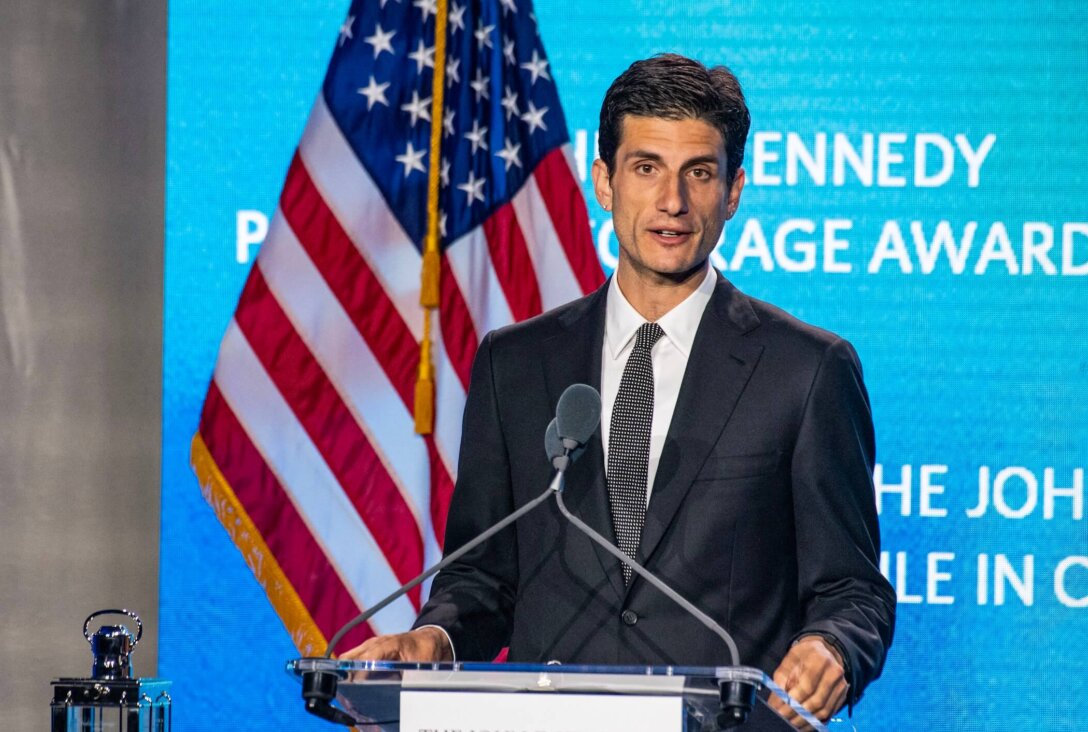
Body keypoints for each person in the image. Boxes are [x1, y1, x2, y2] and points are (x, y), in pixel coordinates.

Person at [343, 53, 895, 725]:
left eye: (699, 172)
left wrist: (831, 647)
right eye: (646, 168)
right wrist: (436, 638)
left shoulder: (807, 372)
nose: (673, 202)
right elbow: (480, 579)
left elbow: (852, 591)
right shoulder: (514, 365)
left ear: (734, 192)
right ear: (603, 182)